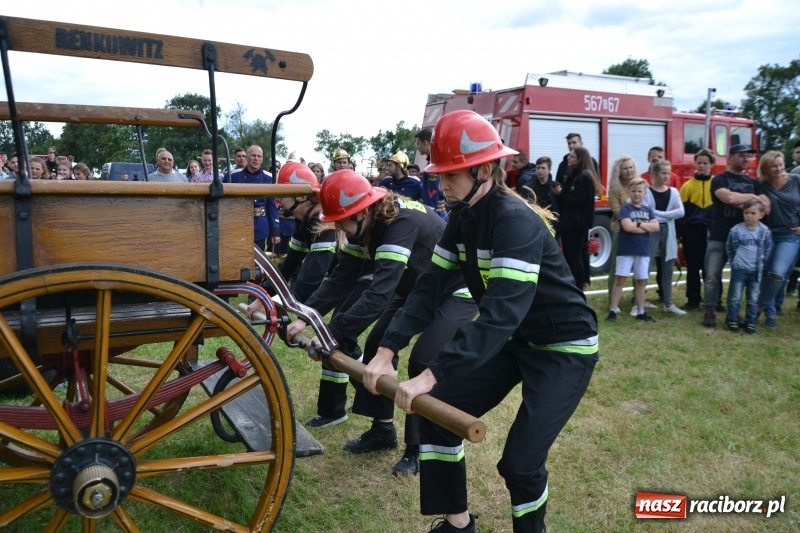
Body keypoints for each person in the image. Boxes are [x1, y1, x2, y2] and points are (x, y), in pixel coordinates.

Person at [363, 110, 597, 533]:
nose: (442, 183)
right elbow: (430, 287)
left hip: (563, 349)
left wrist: (432, 373)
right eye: (440, 173)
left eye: (452, 174)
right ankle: (457, 524)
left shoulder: (514, 222)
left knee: (520, 465)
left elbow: (500, 316)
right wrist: (386, 349)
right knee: (438, 415)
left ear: (485, 170)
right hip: (516, 341)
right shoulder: (464, 218)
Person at [286, 170, 476, 478]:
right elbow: (339, 280)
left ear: (361, 212)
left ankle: (417, 451)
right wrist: (305, 317)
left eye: (342, 222)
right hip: (417, 290)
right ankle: (383, 430)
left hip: (456, 290)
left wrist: (330, 332)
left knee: (423, 360)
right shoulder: (363, 224)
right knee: (377, 345)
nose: (340, 230)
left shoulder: (398, 225)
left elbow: (378, 295)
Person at [702, 144, 768, 328]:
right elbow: (728, 198)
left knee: (738, 278)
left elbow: (765, 206)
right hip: (720, 236)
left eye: (748, 156)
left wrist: (745, 201)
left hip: (745, 241)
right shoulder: (719, 179)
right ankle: (709, 309)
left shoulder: (754, 182)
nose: (746, 159)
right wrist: (752, 200)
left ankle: (733, 313)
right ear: (730, 158)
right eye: (742, 156)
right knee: (712, 275)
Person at [755, 150, 800, 329]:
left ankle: (758, 306)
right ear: (765, 168)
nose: (779, 168)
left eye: (781, 164)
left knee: (778, 272)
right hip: (767, 233)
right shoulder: (760, 185)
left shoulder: (796, 180)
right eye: (774, 166)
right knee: (763, 271)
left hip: (790, 235)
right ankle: (771, 312)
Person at [607, 178, 659, 323]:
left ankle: (641, 311)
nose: (637, 194)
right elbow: (627, 227)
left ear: (645, 193)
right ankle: (613, 309)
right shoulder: (626, 209)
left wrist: (639, 224)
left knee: (641, 281)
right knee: (620, 279)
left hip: (643, 250)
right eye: (634, 191)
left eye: (640, 191)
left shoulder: (648, 210)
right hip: (626, 250)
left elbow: (656, 227)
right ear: (629, 192)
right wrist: (645, 226)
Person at [553, 146, 601, 290]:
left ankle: (578, 287)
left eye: (572, 156)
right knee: (571, 255)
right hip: (570, 222)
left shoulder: (584, 177)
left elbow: (577, 200)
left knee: (574, 257)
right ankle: (575, 284)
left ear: (580, 159)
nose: (568, 158)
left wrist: (561, 195)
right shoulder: (574, 173)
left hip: (576, 224)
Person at [643, 159, 686, 316]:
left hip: (669, 232)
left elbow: (681, 212)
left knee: (668, 268)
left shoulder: (674, 192)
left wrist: (660, 214)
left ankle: (668, 302)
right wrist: (669, 215)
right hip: (651, 231)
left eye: (668, 173)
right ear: (654, 174)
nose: (667, 176)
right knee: (645, 266)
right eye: (663, 173)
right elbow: (648, 213)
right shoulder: (647, 192)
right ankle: (639, 301)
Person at [726, 199, 772, 334]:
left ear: (761, 215)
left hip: (756, 270)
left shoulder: (765, 232)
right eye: (746, 212)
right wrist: (735, 262)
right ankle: (732, 319)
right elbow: (730, 248)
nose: (749, 216)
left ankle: (750, 321)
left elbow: (767, 250)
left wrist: (762, 264)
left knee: (752, 297)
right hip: (739, 268)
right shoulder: (735, 231)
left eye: (753, 213)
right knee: (735, 296)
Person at [679, 149, 715, 311]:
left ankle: (713, 300)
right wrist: (679, 234)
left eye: (705, 163)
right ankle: (693, 299)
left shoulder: (717, 184)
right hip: (692, 231)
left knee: (712, 268)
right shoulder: (687, 186)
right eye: (699, 162)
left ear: (711, 165)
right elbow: (681, 214)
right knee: (693, 267)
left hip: (711, 231)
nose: (701, 166)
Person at [228, 145, 280, 251]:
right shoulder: (232, 176)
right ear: (247, 157)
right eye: (253, 155)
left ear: (262, 159)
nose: (256, 158)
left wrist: (275, 230)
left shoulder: (269, 178)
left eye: (259, 156)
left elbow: (272, 205)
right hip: (237, 225)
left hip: (260, 226)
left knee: (257, 261)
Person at [606, 155, 638, 304]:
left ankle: (637, 298)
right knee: (615, 266)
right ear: (619, 171)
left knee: (639, 266)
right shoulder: (614, 188)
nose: (629, 170)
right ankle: (612, 300)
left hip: (639, 232)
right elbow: (617, 211)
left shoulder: (639, 185)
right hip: (620, 231)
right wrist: (636, 216)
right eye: (625, 168)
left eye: (631, 167)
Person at [415, 128, 448, 220]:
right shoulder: (433, 162)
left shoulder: (433, 165)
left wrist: (426, 216)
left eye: (418, 144)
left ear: (425, 143)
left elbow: (432, 191)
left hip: (435, 215)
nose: (417, 147)